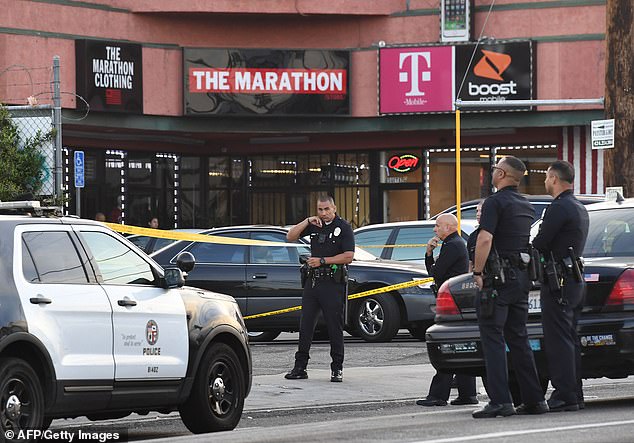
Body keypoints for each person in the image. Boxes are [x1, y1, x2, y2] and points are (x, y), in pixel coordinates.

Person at [471, 156, 547, 418]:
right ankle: (535, 399)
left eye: (494, 169)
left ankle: (501, 401)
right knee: (519, 338)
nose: (492, 172)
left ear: (502, 174)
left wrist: (478, 272)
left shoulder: (495, 202)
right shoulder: (525, 204)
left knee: (492, 338)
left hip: (497, 279)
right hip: (521, 278)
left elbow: (485, 239)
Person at [532, 160, 589, 412]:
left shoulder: (558, 207)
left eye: (546, 177)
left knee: (558, 340)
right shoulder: (578, 206)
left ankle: (564, 394)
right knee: (570, 338)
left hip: (558, 281)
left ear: (554, 178)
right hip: (573, 279)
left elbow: (541, 242)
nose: (545, 181)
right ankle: (574, 392)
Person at [284, 195, 354, 382]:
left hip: (332, 282)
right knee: (305, 325)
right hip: (313, 282)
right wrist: (307, 220)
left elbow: (348, 256)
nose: (323, 213)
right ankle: (300, 367)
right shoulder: (315, 224)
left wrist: (322, 261)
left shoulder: (344, 228)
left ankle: (337, 368)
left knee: (334, 327)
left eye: (326, 210)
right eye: (320, 210)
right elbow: (290, 237)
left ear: (334, 208)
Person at [416, 214, 478, 407]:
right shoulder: (457, 243)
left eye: (437, 226)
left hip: (452, 302)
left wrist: (428, 253)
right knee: (461, 346)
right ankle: (467, 394)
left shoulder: (452, 245)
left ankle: (438, 395)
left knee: (447, 346)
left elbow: (435, 274)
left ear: (449, 227)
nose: (435, 229)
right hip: (459, 300)